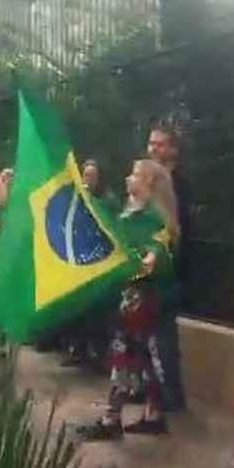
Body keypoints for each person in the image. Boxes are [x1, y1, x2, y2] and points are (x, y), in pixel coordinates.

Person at [78, 159, 179, 440]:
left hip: (139, 297)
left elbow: (159, 246)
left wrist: (149, 257)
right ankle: (154, 414)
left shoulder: (152, 218)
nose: (127, 178)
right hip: (131, 294)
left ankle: (112, 419)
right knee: (143, 358)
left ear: (150, 183)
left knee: (124, 356)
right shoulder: (130, 213)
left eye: (135, 174)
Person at [147, 123, 192, 412]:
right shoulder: (147, 182)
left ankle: (171, 397)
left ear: (173, 150)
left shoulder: (180, 186)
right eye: (152, 143)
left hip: (169, 271)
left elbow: (179, 231)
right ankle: (150, 392)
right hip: (145, 271)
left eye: (161, 144)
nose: (154, 149)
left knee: (164, 337)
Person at [60, 159, 121, 369]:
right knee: (77, 309)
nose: (88, 180)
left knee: (99, 312)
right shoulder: (78, 197)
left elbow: (108, 221)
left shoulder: (108, 199)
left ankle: (100, 354)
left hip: (100, 259)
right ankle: (77, 349)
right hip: (81, 259)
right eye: (85, 175)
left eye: (92, 176)